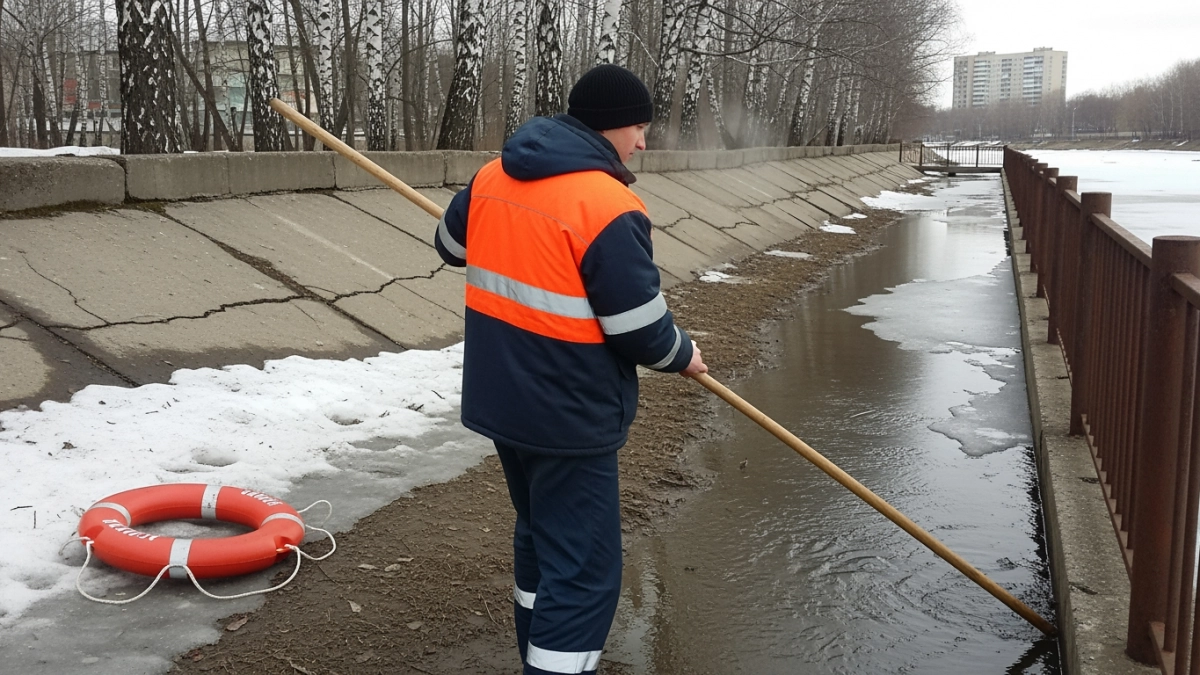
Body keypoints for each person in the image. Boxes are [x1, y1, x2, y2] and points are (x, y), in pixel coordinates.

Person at [434, 63, 707, 675]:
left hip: (502, 402)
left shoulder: (492, 173)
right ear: (611, 126)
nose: (643, 142)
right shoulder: (608, 203)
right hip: (567, 413)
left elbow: (450, 247)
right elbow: (638, 328)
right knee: (584, 574)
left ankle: (537, 649)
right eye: (639, 127)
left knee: (539, 535)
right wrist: (683, 354)